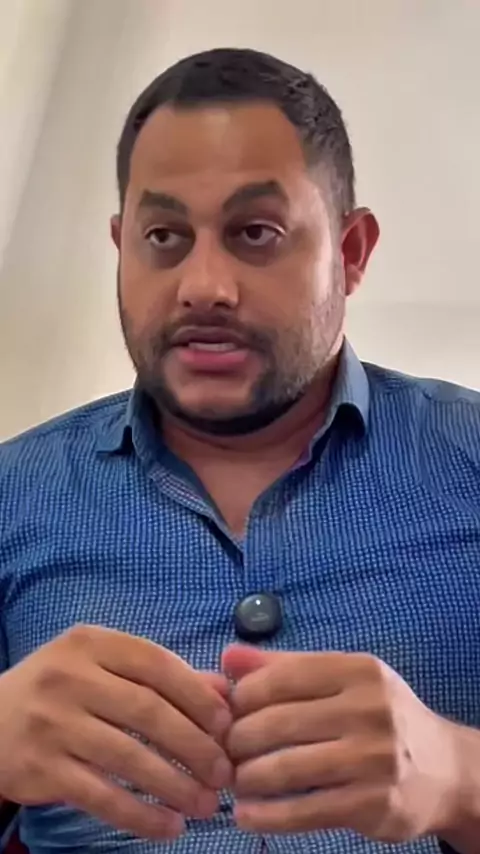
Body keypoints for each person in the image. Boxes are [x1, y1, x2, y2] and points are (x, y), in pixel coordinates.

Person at [0, 46, 478, 854]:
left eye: (256, 233)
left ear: (351, 253)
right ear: (121, 248)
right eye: (164, 236)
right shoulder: (13, 494)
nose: (204, 286)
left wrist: (461, 777)